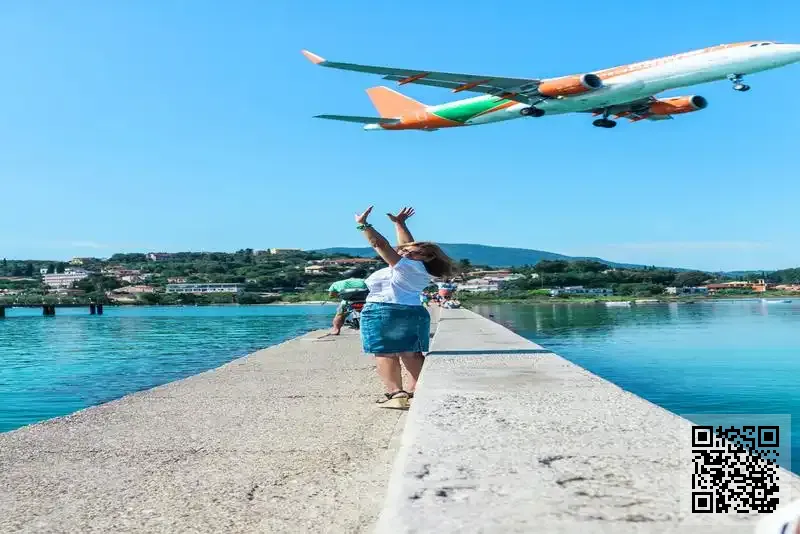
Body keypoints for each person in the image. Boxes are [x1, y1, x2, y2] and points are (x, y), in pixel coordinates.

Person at [354, 205, 455, 409]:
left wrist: (363, 225)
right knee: (411, 353)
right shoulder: (422, 269)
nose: (404, 251)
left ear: (427, 257)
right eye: (404, 251)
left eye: (411, 251)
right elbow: (406, 246)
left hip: (384, 310)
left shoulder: (406, 266)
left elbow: (379, 244)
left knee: (385, 353)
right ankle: (419, 392)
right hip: (413, 312)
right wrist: (400, 224)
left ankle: (396, 394)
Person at [328, 267, 368, 335]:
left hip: (347, 302)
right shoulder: (368, 281)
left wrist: (339, 296)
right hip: (366, 302)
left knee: (340, 314)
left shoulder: (338, 283)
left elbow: (331, 295)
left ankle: (336, 330)